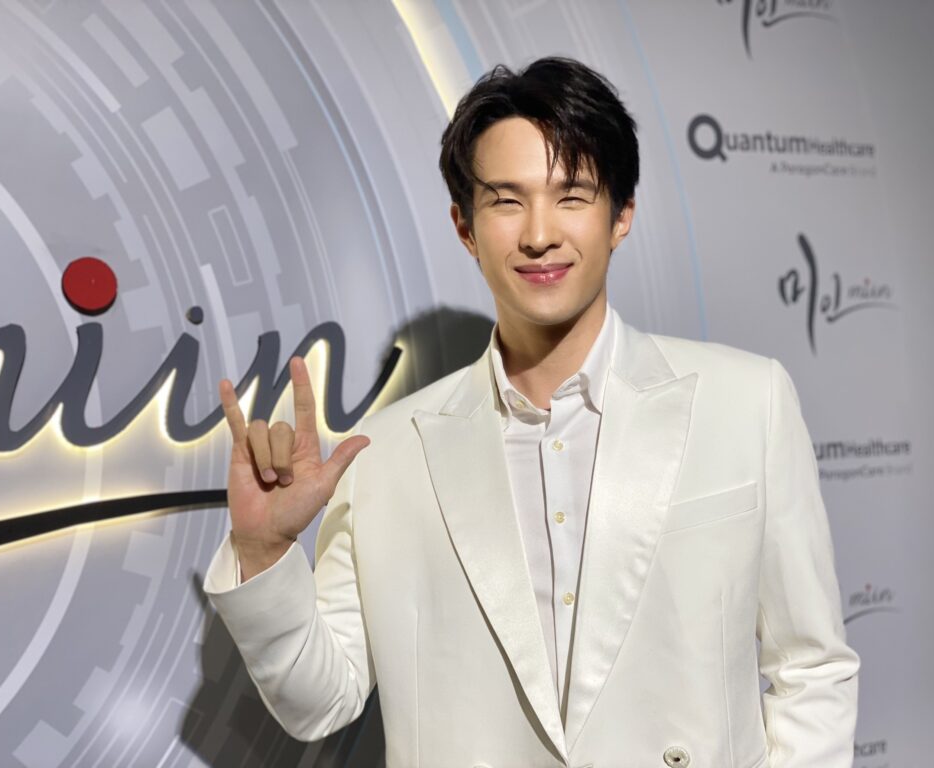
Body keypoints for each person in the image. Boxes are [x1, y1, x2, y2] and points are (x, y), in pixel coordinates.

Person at [204, 56, 859, 768]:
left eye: (572, 195)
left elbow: (811, 667)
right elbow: (321, 703)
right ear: (465, 226)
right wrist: (264, 550)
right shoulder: (384, 455)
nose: (539, 234)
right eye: (507, 202)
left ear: (622, 215)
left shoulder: (747, 403)